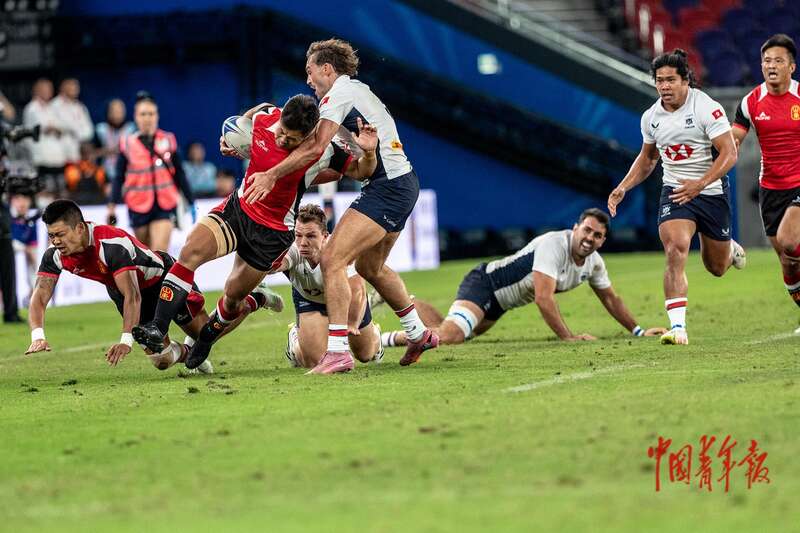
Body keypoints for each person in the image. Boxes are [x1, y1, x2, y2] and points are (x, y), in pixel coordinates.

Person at [131, 94, 379, 370]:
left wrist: (369, 152)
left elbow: (361, 171)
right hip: (238, 209)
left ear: (308, 135)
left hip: (271, 233)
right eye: (282, 131)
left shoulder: (323, 151)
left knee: (233, 296)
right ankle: (157, 326)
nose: (282, 139)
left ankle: (207, 337)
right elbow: (251, 115)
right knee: (190, 252)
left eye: (291, 139)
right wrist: (232, 140)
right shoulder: (267, 116)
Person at [243, 38, 437, 372]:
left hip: (388, 187)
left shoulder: (339, 94)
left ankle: (337, 352)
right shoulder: (352, 93)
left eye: (310, 71)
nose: (308, 80)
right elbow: (318, 154)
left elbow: (314, 147)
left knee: (332, 258)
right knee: (370, 268)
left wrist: (271, 174)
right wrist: (249, 145)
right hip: (400, 183)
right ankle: (418, 333)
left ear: (327, 69)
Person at [24, 199, 278, 371]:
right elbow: (40, 295)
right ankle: (190, 355)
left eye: (60, 234)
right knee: (162, 361)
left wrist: (126, 340)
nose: (55, 241)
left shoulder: (112, 245)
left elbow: (133, 295)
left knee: (205, 334)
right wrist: (38, 336)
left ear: (79, 228)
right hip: (123, 292)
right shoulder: (55, 255)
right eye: (51, 235)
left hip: (164, 279)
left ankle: (254, 298)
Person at [607, 49, 746, 346]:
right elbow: (648, 159)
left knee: (716, 268)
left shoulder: (706, 108)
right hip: (675, 192)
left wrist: (701, 183)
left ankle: (729, 249)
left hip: (711, 191)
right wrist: (623, 187)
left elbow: (730, 153)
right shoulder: (651, 118)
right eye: (660, 80)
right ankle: (678, 327)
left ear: (686, 81)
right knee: (675, 249)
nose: (664, 86)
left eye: (671, 80)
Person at [379, 209, 665, 351]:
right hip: (485, 285)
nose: (590, 238)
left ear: (603, 241)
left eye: (597, 235)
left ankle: (400, 298)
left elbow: (611, 299)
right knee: (451, 336)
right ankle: (382, 339)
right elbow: (543, 298)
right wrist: (568, 337)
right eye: (587, 230)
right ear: (575, 228)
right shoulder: (555, 244)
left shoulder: (594, 263)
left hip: (500, 305)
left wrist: (639, 331)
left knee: (447, 329)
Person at [731, 34, 800, 334]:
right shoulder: (750, 102)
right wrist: (719, 152)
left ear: (791, 66)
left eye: (778, 60)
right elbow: (734, 139)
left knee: (789, 240)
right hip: (771, 189)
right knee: (788, 261)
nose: (771, 66)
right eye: (767, 61)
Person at [273, 204, 382, 369]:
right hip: (309, 299)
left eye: (311, 236)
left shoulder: (341, 249)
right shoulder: (293, 249)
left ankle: (376, 335)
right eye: (298, 235)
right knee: (313, 361)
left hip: (346, 301)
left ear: (325, 236)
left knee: (365, 354)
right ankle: (294, 338)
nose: (303, 243)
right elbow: (275, 265)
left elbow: (358, 289)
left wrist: (352, 323)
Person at [107, 92, 195, 252]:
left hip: (165, 204)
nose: (147, 118)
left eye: (151, 114)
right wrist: (112, 206)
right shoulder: (127, 144)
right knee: (146, 256)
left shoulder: (168, 140)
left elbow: (179, 173)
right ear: (136, 117)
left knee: (159, 254)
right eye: (143, 114)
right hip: (137, 206)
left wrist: (191, 201)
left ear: (157, 116)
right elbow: (118, 177)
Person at [22, 78, 67, 195]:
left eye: (50, 89)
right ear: (36, 90)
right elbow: (42, 128)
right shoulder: (31, 108)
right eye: (45, 89)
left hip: (56, 158)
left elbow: (61, 127)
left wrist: (55, 128)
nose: (48, 91)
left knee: (60, 192)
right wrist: (52, 128)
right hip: (41, 158)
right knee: (44, 192)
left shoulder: (52, 108)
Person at [50, 78, 94, 166]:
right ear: (62, 87)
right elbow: (59, 126)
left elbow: (89, 130)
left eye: (76, 87)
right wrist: (73, 130)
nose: (75, 89)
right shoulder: (54, 105)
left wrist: (76, 132)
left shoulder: (80, 107)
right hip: (61, 155)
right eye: (71, 86)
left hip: (78, 154)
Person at [95, 98, 135, 194]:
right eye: (114, 111)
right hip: (105, 174)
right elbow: (92, 153)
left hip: (127, 174)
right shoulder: (101, 129)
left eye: (120, 111)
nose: (117, 114)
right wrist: (109, 151)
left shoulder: (132, 129)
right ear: (108, 112)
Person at [9, 193, 40, 305]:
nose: (22, 204)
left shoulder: (31, 221)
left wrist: (35, 265)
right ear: (12, 201)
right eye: (18, 200)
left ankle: (32, 296)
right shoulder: (7, 216)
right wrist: (25, 249)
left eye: (25, 200)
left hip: (22, 246)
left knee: (34, 264)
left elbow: (32, 247)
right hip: (7, 246)